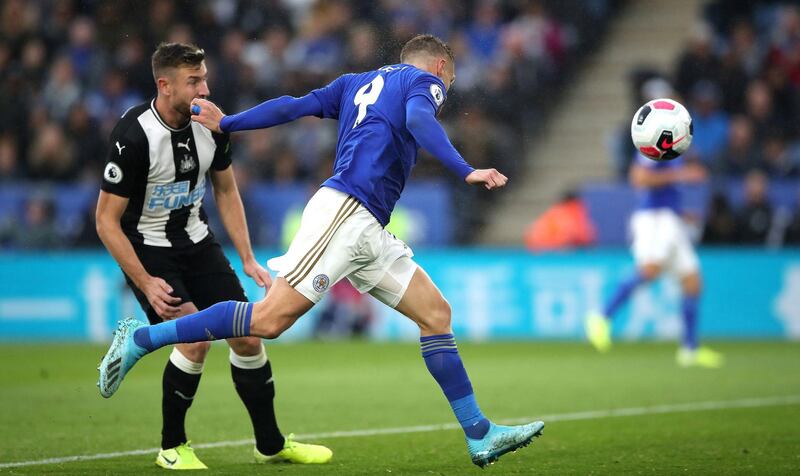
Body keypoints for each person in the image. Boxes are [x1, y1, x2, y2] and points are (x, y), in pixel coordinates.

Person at [97, 34, 544, 468]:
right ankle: (143, 338)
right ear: (441, 67)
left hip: (367, 227)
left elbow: (292, 106)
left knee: (435, 314)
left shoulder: (354, 82)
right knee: (268, 320)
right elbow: (419, 121)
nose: (442, 93)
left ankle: (479, 433)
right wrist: (465, 169)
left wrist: (230, 123)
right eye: (446, 84)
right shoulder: (422, 81)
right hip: (345, 215)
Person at [94, 42, 331, 470]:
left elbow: (225, 189)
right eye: (193, 81)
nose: (204, 88)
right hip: (149, 248)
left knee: (248, 335)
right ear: (164, 86)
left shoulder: (211, 123)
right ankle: (171, 446)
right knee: (196, 338)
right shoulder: (133, 135)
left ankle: (271, 444)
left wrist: (247, 257)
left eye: (204, 77)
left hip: (198, 241)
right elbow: (106, 221)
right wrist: (145, 282)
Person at [584, 153, 724, 368]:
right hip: (654, 219)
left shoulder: (673, 150)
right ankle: (601, 316)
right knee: (649, 269)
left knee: (692, 281)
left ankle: (690, 349)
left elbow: (665, 187)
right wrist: (682, 174)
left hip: (669, 218)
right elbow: (639, 178)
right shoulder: (656, 144)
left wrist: (681, 213)